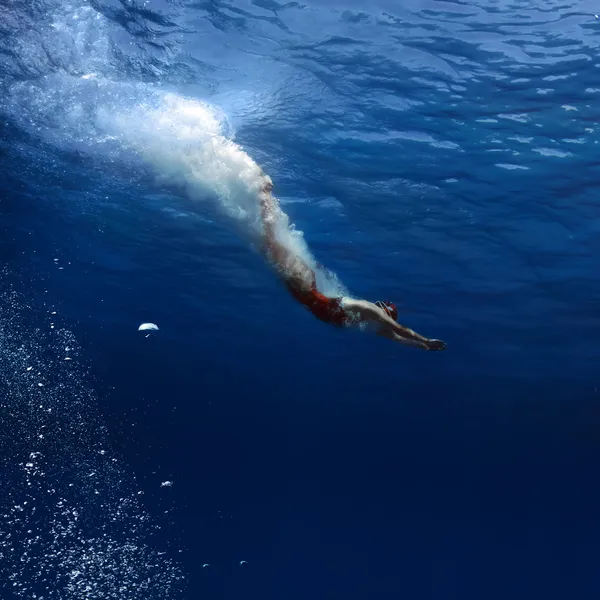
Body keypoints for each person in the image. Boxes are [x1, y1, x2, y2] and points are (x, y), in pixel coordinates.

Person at [258, 179, 447, 351]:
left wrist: (424, 346)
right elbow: (399, 330)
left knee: (270, 250)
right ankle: (264, 194)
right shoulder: (367, 310)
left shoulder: (369, 323)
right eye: (386, 319)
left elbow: (397, 337)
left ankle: (264, 204)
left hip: (305, 295)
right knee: (272, 245)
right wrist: (426, 340)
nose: (384, 322)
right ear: (383, 312)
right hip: (306, 287)